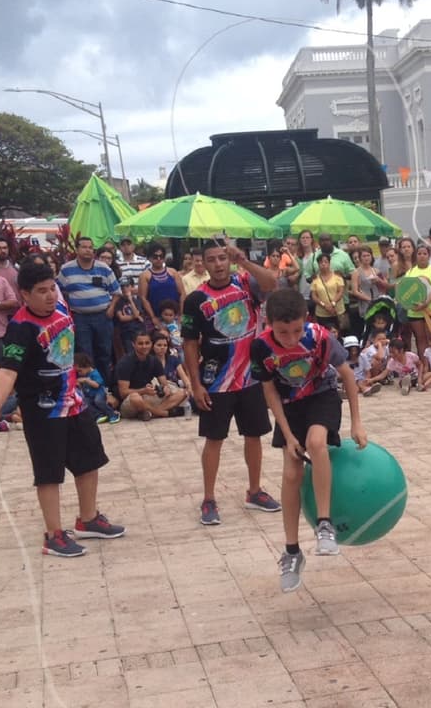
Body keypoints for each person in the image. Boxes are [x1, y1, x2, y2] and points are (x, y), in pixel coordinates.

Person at [0, 260, 126, 557]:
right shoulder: (21, 328)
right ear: (24, 294)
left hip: (73, 402)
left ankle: (88, 519)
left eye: (52, 289)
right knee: (49, 472)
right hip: (42, 409)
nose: (50, 295)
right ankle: (53, 535)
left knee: (89, 460)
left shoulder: (61, 306)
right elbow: (8, 371)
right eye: (41, 291)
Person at [249, 288, 367, 593]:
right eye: (282, 331)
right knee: (291, 473)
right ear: (269, 323)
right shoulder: (260, 346)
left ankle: (324, 525)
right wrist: (287, 436)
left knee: (317, 443)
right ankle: (291, 551)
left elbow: (348, 377)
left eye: (296, 330)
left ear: (306, 320)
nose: (290, 338)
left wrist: (356, 422)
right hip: (289, 406)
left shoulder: (319, 337)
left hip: (321, 395)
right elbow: (270, 392)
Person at [180, 241, 282, 522]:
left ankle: (255, 490)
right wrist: (195, 383)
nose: (218, 264)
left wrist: (244, 261)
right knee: (214, 439)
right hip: (216, 380)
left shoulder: (246, 283)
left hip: (250, 377)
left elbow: (273, 281)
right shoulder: (195, 299)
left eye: (223, 258)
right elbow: (189, 343)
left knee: (254, 435)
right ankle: (209, 498)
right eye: (211, 259)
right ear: (202, 263)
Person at [56, 237, 120, 384]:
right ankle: (87, 387)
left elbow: (116, 291)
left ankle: (105, 387)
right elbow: (57, 291)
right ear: (77, 250)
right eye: (84, 247)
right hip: (80, 317)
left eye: (90, 247)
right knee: (85, 353)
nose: (88, 250)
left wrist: (111, 309)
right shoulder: (66, 269)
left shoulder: (104, 268)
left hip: (103, 316)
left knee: (104, 352)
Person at [116, 331, 188, 420]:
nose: (144, 346)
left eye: (147, 343)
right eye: (140, 344)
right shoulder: (125, 363)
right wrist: (143, 391)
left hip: (148, 396)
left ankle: (151, 414)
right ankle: (164, 413)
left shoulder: (154, 360)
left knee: (182, 393)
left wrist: (165, 388)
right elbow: (123, 393)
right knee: (135, 398)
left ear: (151, 344)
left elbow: (164, 383)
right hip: (131, 401)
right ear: (133, 344)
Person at [138, 241, 185, 325]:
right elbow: (143, 298)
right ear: (149, 258)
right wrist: (153, 317)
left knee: (181, 336)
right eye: (155, 256)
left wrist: (181, 314)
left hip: (176, 315)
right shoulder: (145, 276)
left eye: (161, 256)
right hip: (156, 316)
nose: (159, 259)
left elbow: (182, 293)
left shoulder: (173, 272)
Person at [74, 352, 120, 424]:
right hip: (90, 394)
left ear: (87, 366)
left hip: (99, 393)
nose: (79, 373)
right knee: (85, 402)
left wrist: (86, 380)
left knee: (98, 401)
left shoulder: (94, 373)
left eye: (80, 370)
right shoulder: (84, 375)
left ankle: (112, 414)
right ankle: (99, 415)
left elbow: (97, 385)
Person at [310, 253, 348, 333]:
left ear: (329, 263)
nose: (323, 264)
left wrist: (333, 304)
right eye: (321, 262)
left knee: (340, 333)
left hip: (337, 311)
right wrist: (324, 305)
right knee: (324, 334)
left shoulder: (337, 276)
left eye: (325, 262)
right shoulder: (315, 279)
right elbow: (314, 295)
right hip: (322, 313)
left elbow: (340, 292)